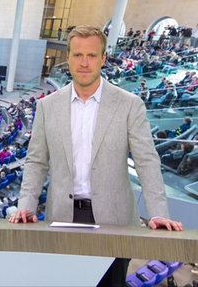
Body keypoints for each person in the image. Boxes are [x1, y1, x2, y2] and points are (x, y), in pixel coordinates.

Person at [9, 25, 183, 287]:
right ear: (67, 58)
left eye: (92, 56)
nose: (84, 63)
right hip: (63, 217)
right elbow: (36, 161)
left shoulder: (129, 104)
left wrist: (158, 212)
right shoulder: (47, 106)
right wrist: (26, 205)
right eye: (78, 55)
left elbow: (147, 161)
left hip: (114, 220)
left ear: (103, 59)